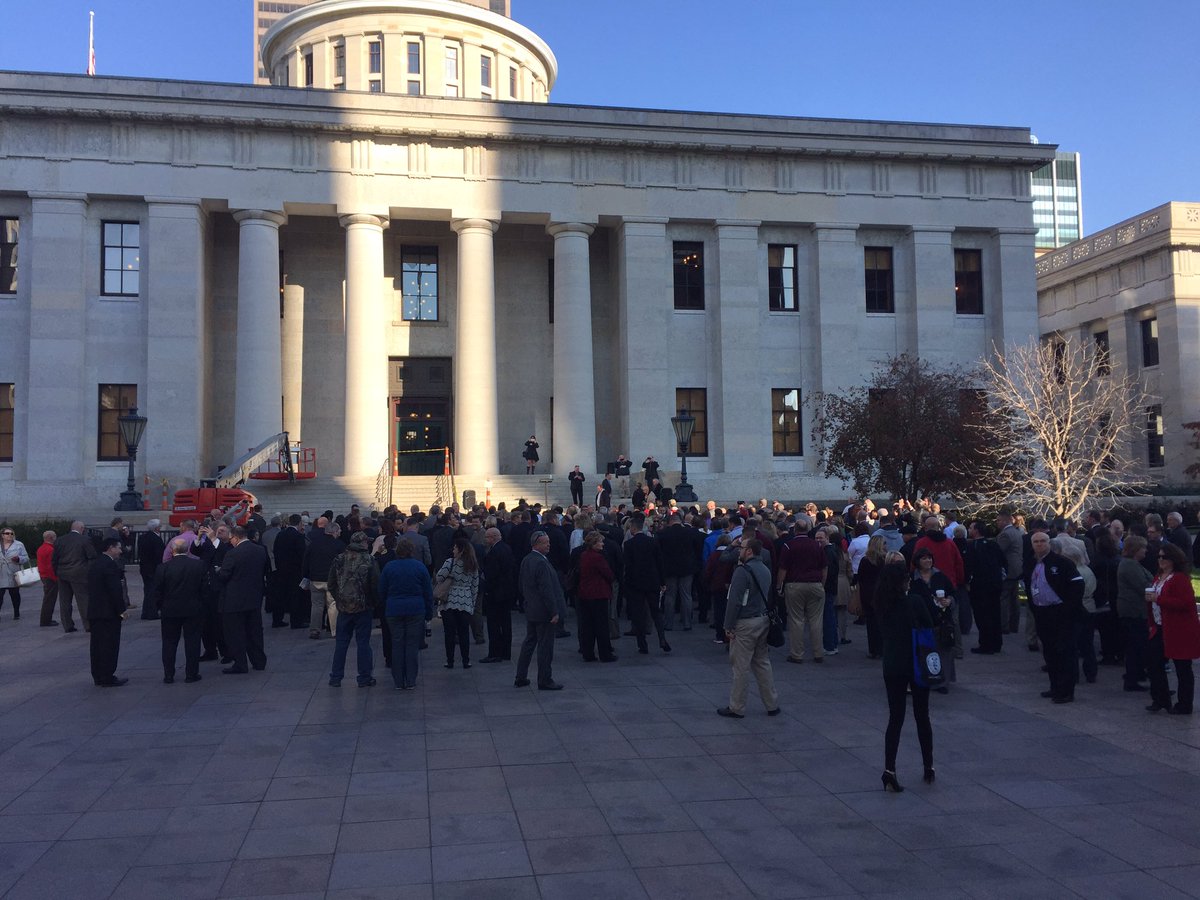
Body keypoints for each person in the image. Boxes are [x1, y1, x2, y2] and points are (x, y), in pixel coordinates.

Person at [876, 553, 934, 791]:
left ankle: (889, 768)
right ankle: (928, 765)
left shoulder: (882, 603)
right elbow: (929, 624)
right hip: (915, 661)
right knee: (922, 715)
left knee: (895, 717)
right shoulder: (915, 601)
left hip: (892, 663)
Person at [718, 537, 780, 718]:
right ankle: (772, 703)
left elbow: (734, 601)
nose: (739, 550)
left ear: (749, 551)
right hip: (762, 619)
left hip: (745, 623)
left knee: (741, 667)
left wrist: (728, 626)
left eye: (741, 547)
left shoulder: (742, 571)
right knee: (762, 663)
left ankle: (737, 707)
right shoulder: (765, 569)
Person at [1027, 531, 1085, 704]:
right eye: (1036, 542)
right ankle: (1055, 687)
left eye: (1043, 541)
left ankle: (1066, 691)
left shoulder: (1062, 563)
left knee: (1064, 652)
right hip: (1042, 613)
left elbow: (1077, 585)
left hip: (1061, 613)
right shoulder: (1031, 563)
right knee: (1049, 652)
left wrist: (1068, 608)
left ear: (1049, 543)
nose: (1039, 544)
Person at [1145, 543, 1200, 715]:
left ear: (1173, 559)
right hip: (1160, 627)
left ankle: (1185, 704)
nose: (1161, 560)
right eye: (1159, 557)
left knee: (1182, 667)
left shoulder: (1179, 579)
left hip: (1179, 629)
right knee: (1154, 664)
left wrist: (1159, 599)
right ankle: (1160, 698)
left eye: (1165, 557)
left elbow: (1186, 603)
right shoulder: (1159, 576)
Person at [514, 531, 568, 690]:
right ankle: (545, 679)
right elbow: (546, 590)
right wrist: (554, 611)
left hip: (532, 609)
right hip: (544, 612)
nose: (549, 545)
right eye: (545, 542)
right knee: (545, 646)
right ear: (536, 544)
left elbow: (521, 585)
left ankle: (521, 676)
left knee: (529, 642)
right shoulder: (541, 563)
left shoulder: (527, 560)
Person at [327, 531, 381, 687]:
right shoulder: (369, 560)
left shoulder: (339, 559)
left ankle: (336, 677)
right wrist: (374, 602)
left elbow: (331, 583)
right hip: (363, 607)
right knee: (363, 642)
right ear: (363, 543)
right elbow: (375, 584)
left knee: (341, 643)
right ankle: (364, 677)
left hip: (344, 607)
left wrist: (339, 599)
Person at [380, 540, 433, 690]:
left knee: (397, 644)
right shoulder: (419, 566)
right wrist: (429, 613)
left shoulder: (389, 567)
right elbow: (428, 592)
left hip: (394, 609)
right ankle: (410, 680)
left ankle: (398, 680)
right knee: (412, 645)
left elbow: (382, 590)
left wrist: (386, 606)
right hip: (415, 609)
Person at [216, 526, 269, 674]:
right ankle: (259, 661)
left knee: (235, 633)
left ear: (236, 537)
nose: (231, 542)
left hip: (234, 599)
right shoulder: (260, 550)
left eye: (231, 539)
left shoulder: (232, 553)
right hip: (254, 596)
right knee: (255, 632)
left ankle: (240, 663)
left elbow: (224, 575)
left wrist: (219, 571)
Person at [155, 537, 207, 684]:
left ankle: (168, 675)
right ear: (188, 549)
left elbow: (157, 591)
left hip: (170, 609)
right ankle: (191, 673)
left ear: (172, 550)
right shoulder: (198, 565)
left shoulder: (163, 567)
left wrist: (160, 606)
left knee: (169, 642)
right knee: (193, 641)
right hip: (193, 608)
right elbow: (204, 589)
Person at [775, 515, 826, 663]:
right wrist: (822, 583)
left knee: (796, 619)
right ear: (808, 529)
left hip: (795, 584)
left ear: (795, 530)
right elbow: (824, 567)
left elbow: (783, 568)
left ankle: (797, 654)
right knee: (816, 620)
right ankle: (818, 652)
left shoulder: (789, 546)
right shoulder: (817, 545)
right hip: (815, 583)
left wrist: (779, 585)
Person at [622, 512, 669, 655]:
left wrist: (627, 583)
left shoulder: (629, 544)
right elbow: (660, 562)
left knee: (638, 613)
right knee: (656, 611)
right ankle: (662, 637)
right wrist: (662, 581)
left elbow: (628, 565)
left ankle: (642, 644)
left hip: (635, 583)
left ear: (633, 528)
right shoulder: (652, 542)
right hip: (652, 580)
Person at [87, 538, 128, 687]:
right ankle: (107, 675)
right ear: (111, 548)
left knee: (97, 645)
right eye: (118, 548)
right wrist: (121, 610)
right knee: (109, 645)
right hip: (108, 613)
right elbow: (115, 590)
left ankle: (98, 674)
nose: (120, 551)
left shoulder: (96, 563)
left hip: (95, 611)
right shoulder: (109, 565)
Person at [436, 538, 481, 669]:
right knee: (464, 632)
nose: (453, 550)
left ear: (460, 550)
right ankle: (466, 660)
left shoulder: (449, 562)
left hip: (449, 600)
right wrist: (472, 602)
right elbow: (475, 585)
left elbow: (439, 577)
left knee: (449, 633)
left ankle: (450, 660)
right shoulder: (473, 565)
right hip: (465, 600)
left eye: (455, 547)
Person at [1116, 535, 1152, 692]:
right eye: (1143, 548)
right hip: (1133, 610)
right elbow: (1143, 586)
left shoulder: (1132, 564)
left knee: (1136, 645)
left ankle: (1136, 675)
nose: (1145, 550)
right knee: (1136, 645)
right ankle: (1132, 679)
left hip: (1134, 609)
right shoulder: (1130, 565)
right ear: (1135, 549)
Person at [965, 520, 1006, 655]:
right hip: (995, 584)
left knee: (982, 615)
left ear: (976, 530)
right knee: (995, 613)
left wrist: (967, 581)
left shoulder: (973, 546)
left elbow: (968, 566)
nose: (969, 530)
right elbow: (1003, 562)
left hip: (980, 585)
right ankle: (996, 643)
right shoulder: (993, 544)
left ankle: (986, 644)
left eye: (971, 528)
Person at [577, 531, 617, 663]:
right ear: (594, 544)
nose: (602, 544)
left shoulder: (584, 555)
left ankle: (588, 652)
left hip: (585, 593)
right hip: (598, 593)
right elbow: (608, 574)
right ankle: (605, 653)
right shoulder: (598, 558)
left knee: (588, 625)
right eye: (600, 541)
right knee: (601, 625)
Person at [52, 520, 96, 632]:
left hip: (62, 573)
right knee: (83, 599)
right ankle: (88, 625)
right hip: (79, 573)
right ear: (81, 528)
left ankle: (67, 625)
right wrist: (89, 571)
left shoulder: (60, 540)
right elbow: (92, 557)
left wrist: (57, 572)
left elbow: (54, 559)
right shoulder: (85, 540)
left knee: (64, 601)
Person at [479, 527, 515, 663]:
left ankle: (494, 652)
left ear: (493, 537)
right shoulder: (506, 548)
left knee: (494, 624)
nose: (485, 539)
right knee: (505, 623)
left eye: (487, 537)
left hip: (496, 593)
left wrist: (487, 588)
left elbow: (492, 574)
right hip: (506, 592)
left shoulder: (494, 552)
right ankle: (505, 652)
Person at [304, 521, 344, 639]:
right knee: (332, 604)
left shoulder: (314, 544)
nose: (340, 532)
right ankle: (334, 630)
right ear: (334, 532)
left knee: (316, 605)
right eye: (339, 530)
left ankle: (315, 630)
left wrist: (306, 575)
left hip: (315, 578)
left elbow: (306, 561)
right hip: (332, 580)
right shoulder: (339, 544)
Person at [273, 514, 307, 628]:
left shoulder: (280, 534)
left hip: (281, 569)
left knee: (280, 595)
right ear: (299, 523)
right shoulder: (298, 536)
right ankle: (295, 621)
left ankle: (277, 620)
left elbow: (275, 551)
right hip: (295, 570)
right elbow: (302, 554)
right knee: (295, 596)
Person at [856, 535, 887, 659]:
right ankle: (882, 648)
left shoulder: (865, 560)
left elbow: (860, 577)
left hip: (867, 592)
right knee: (882, 621)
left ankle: (873, 649)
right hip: (881, 592)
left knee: (871, 622)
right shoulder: (885, 560)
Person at [136, 520, 166, 620]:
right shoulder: (156, 539)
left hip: (145, 567)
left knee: (147, 590)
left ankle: (145, 612)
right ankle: (152, 613)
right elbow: (159, 555)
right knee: (153, 591)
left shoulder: (142, 537)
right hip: (154, 568)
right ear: (156, 528)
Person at [0, 526, 30, 620]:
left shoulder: (19, 544)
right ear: (2, 535)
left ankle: (16, 613)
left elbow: (26, 558)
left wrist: (18, 559)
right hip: (1, 573)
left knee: (15, 594)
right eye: (7, 533)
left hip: (14, 572)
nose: (10, 535)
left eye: (11, 533)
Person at [36, 531, 59, 627]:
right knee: (49, 599)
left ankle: (46, 619)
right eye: (55, 536)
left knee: (48, 598)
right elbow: (51, 566)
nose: (56, 538)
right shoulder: (50, 549)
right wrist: (55, 578)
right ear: (51, 538)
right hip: (50, 577)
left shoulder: (41, 548)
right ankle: (46, 620)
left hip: (44, 575)